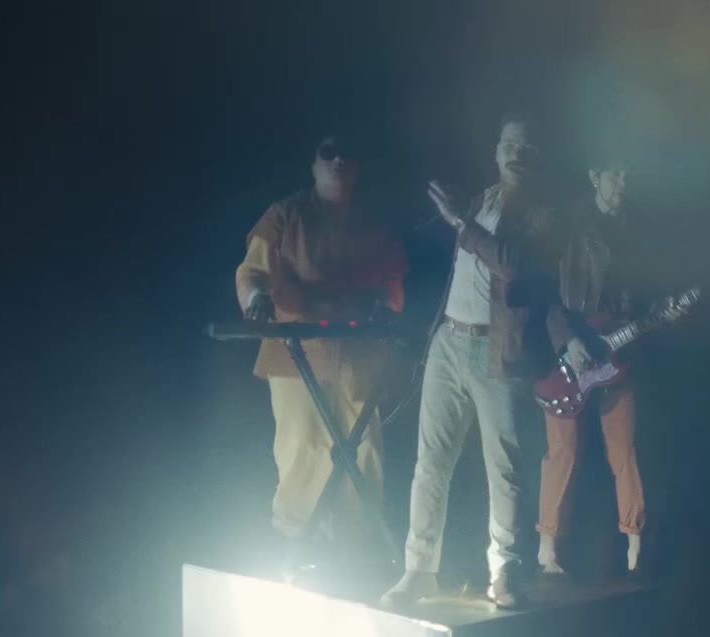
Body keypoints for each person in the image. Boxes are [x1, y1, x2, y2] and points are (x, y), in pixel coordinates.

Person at [381, 113, 563, 609]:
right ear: (496, 151)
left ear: (539, 158)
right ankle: (419, 570)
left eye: (527, 148)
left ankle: (505, 573)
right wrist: (459, 215)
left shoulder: (545, 213)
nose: (517, 155)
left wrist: (462, 222)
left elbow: (513, 263)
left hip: (496, 349)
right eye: (510, 145)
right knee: (431, 462)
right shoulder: (482, 198)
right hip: (449, 339)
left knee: (504, 467)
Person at [235, 133, 407, 553]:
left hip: (358, 353)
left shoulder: (372, 224)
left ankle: (356, 544)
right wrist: (256, 300)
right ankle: (295, 541)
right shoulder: (284, 215)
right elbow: (254, 271)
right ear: (313, 165)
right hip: (298, 352)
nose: (338, 161)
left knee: (364, 450)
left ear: (358, 167)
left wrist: (387, 308)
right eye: (328, 154)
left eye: (347, 154)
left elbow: (392, 281)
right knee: (303, 448)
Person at [537, 154, 686, 575]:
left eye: (628, 175)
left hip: (618, 354)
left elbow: (644, 299)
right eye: (615, 174)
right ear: (594, 176)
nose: (623, 183)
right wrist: (568, 340)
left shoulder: (637, 233)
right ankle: (547, 547)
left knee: (625, 450)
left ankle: (635, 546)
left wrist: (664, 311)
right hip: (570, 353)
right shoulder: (567, 228)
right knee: (563, 452)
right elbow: (548, 293)